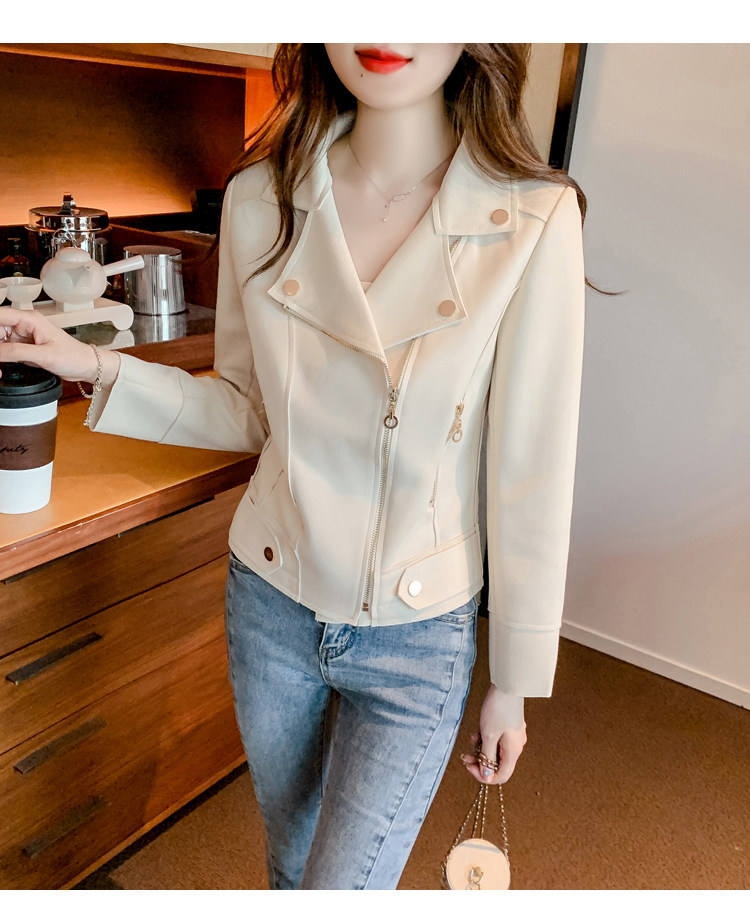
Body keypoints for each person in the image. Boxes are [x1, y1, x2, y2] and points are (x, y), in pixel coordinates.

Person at [0, 44, 586, 890]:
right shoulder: (260, 199)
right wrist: (91, 363)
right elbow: (247, 407)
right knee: (291, 858)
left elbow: (531, 468)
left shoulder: (531, 215)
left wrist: (516, 678)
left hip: (416, 630)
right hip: (271, 603)